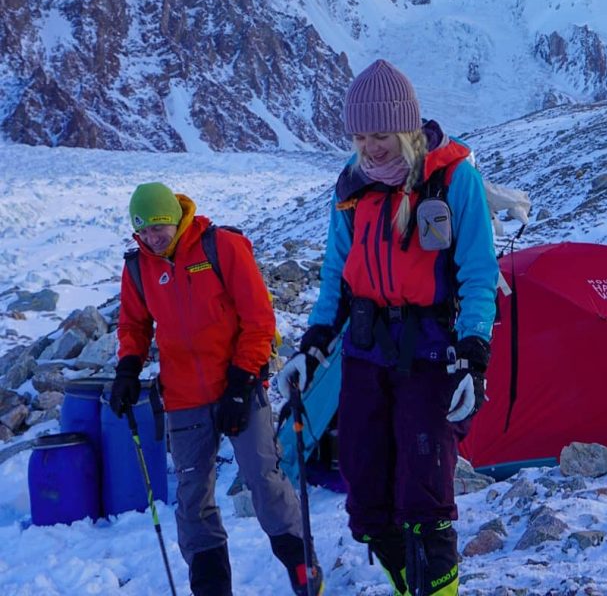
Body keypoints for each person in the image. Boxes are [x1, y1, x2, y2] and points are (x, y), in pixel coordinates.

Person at [278, 59, 497, 596]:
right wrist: (312, 346)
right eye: (360, 136)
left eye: (381, 134)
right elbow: (336, 274)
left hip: (431, 355)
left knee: (425, 501)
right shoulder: (352, 188)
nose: (372, 147)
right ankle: (409, 585)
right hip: (365, 352)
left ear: (405, 128)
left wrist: (474, 355)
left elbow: (477, 272)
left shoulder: (452, 180)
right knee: (368, 501)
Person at [111, 182, 323, 596]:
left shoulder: (220, 247)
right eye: (145, 232)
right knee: (192, 498)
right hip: (183, 398)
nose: (154, 239)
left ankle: (302, 567)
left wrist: (242, 383)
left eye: (160, 228)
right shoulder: (139, 267)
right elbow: (134, 326)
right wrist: (127, 368)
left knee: (263, 479)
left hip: (239, 387)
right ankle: (210, 588)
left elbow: (260, 319)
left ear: (177, 218)